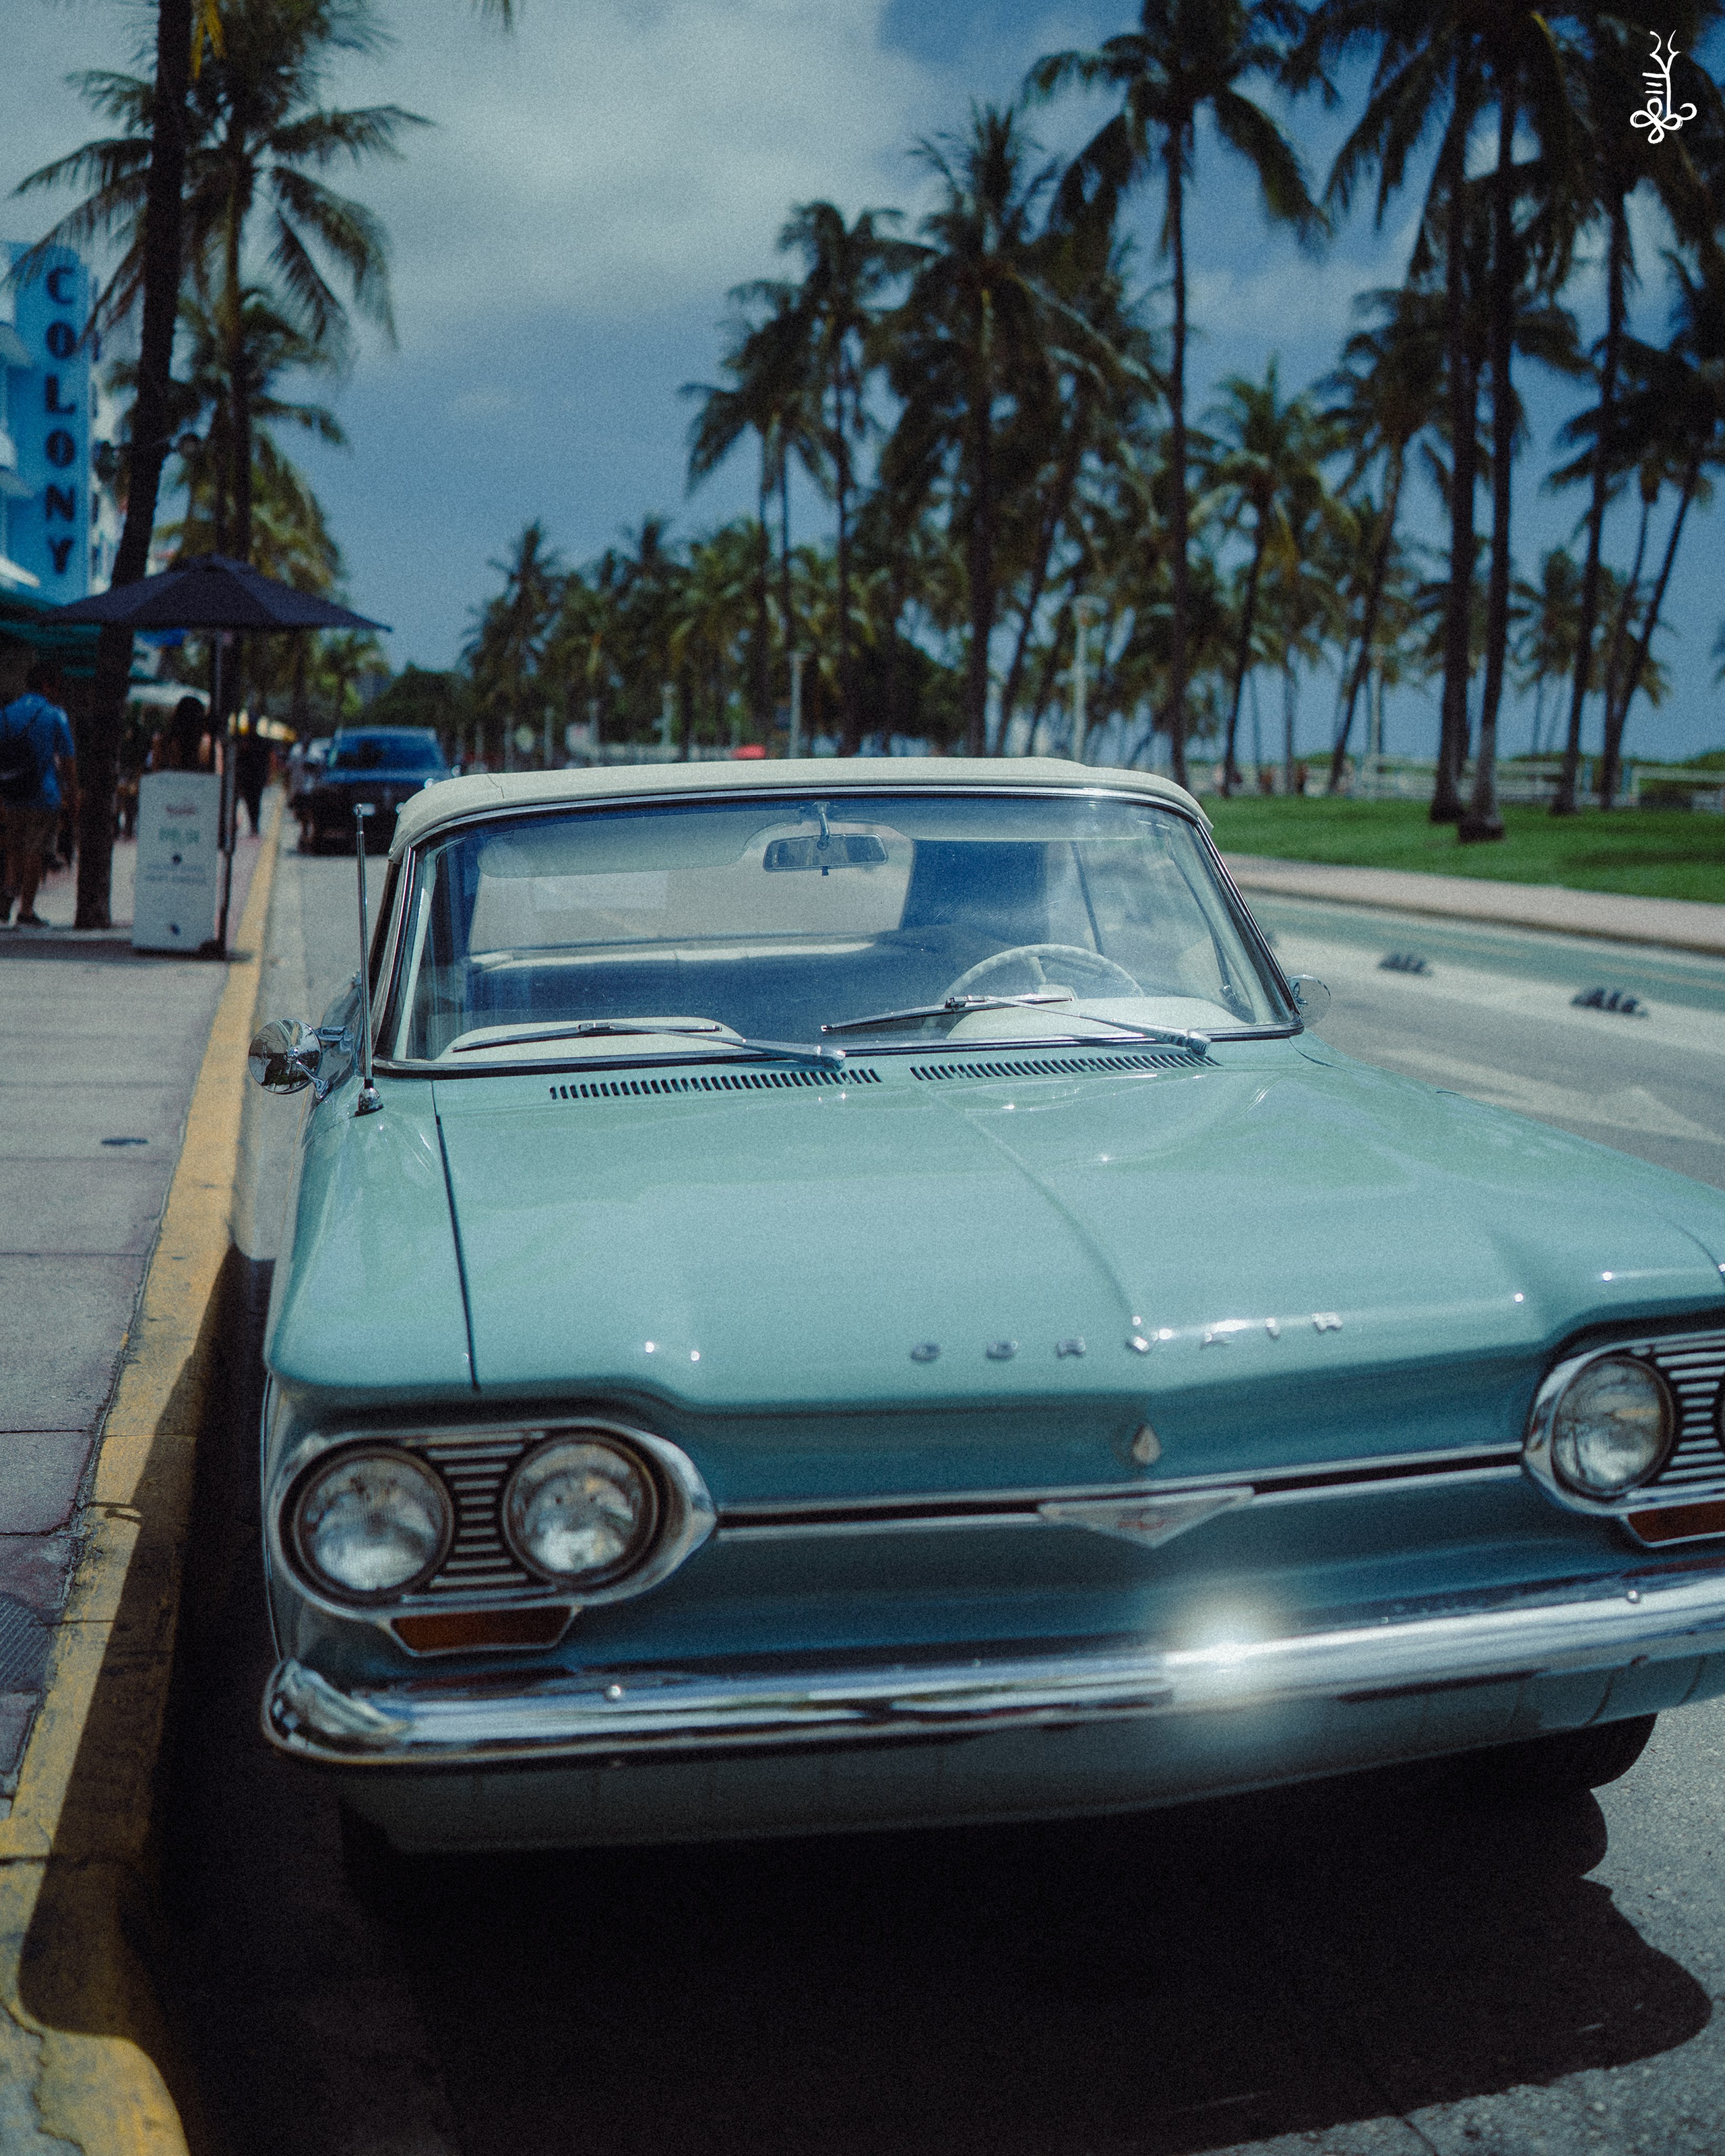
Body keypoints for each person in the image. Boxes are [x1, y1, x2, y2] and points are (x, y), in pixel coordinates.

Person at [0, 660, 78, 928]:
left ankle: (8, 891)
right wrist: (72, 793)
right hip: (44, 794)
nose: (59, 691)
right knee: (36, 851)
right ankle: (27, 909)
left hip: (11, 790)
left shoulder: (6, 713)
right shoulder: (56, 715)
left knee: (13, 847)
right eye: (57, 686)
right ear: (47, 686)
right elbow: (68, 760)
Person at [234, 727, 270, 836]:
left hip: (257, 778)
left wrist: (268, 776)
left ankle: (255, 825)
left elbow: (269, 759)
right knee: (250, 803)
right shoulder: (244, 740)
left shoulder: (262, 742)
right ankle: (253, 825)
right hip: (247, 778)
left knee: (255, 803)